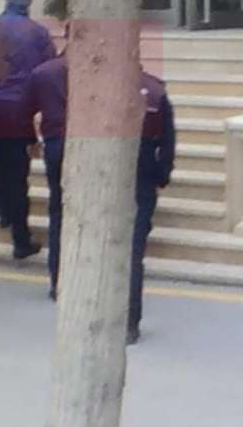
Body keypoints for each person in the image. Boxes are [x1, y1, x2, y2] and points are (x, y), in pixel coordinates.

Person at [24, 53, 175, 344]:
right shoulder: (155, 91)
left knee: (89, 235)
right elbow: (168, 140)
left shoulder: (97, 91)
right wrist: (161, 174)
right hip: (140, 175)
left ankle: (86, 300)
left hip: (102, 174)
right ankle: (129, 322)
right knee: (132, 250)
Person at [0, 0, 55, 259]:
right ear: (28, 4)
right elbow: (48, 70)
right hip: (17, 108)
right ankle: (21, 238)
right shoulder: (38, 33)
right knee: (18, 173)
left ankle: (4, 213)